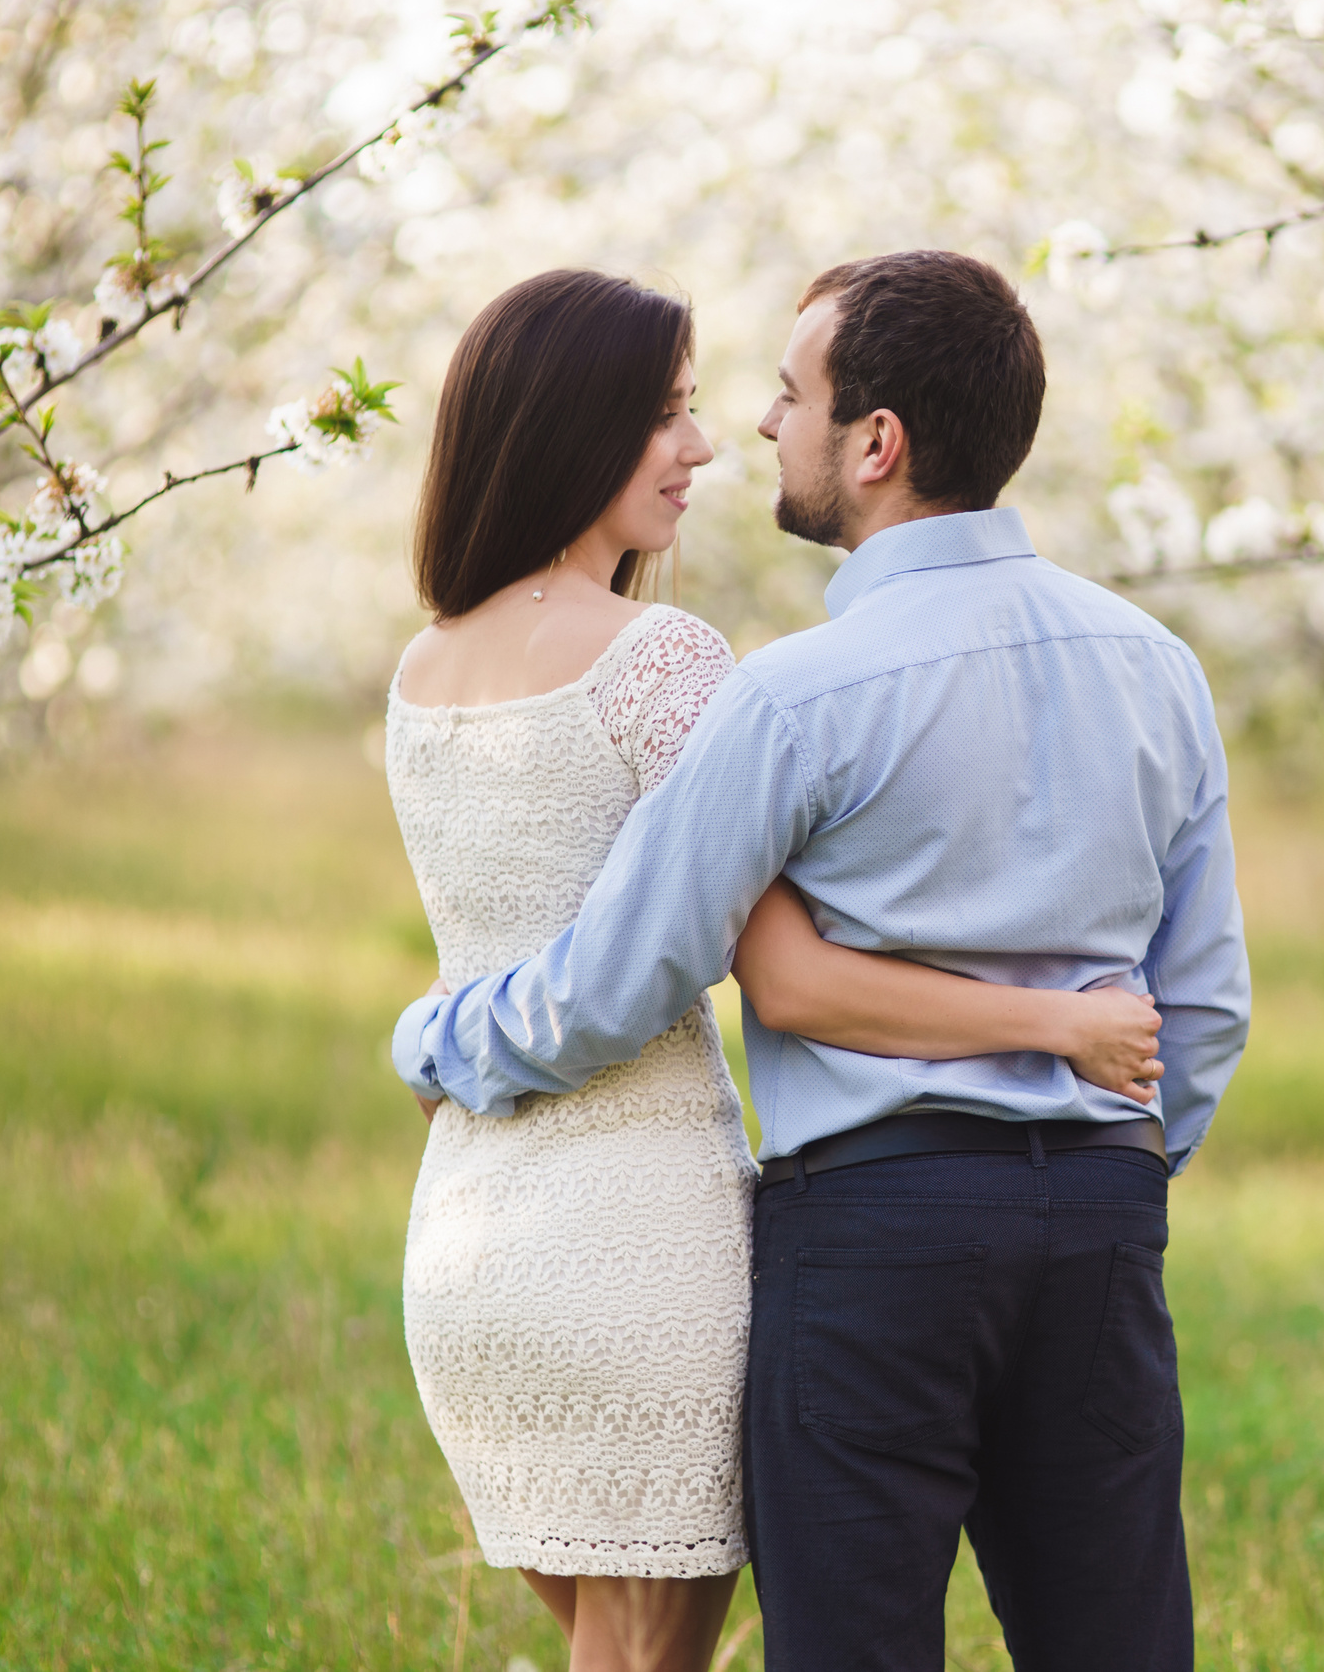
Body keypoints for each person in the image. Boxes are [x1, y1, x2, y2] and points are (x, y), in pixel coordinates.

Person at [383, 267, 1175, 1672]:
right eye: (666, 417)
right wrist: (1061, 1028)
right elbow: (777, 976)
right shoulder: (665, 661)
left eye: (714, 410)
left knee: (612, 1651)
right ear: (572, 430)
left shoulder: (424, 672)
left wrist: (436, 1045)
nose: (708, 445)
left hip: (472, 1240)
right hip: (637, 1238)